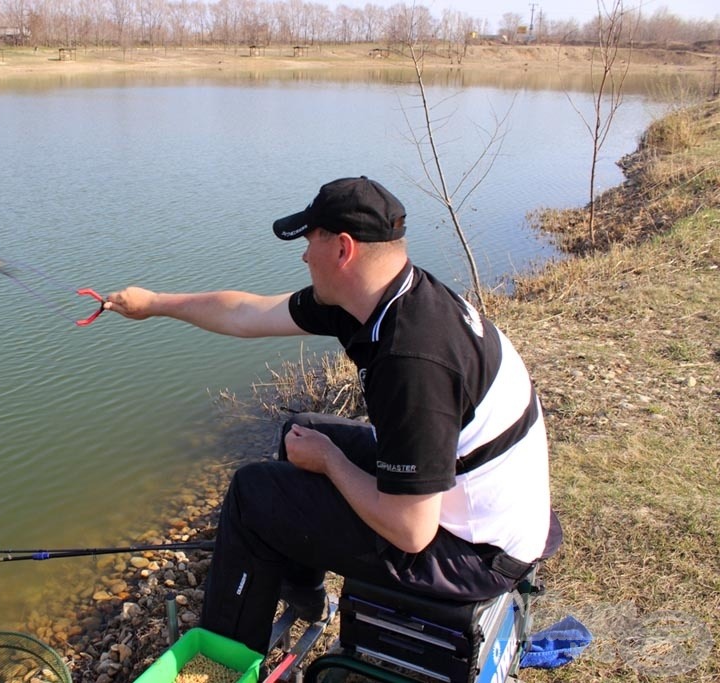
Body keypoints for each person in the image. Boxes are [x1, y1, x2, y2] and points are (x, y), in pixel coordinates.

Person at [104, 176, 559, 655]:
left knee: (252, 494)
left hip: (473, 557)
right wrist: (152, 304)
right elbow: (246, 314)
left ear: (343, 249)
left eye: (309, 242)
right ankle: (307, 594)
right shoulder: (382, 296)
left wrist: (330, 462)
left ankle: (223, 662)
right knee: (300, 432)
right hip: (473, 505)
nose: (303, 257)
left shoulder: (412, 359)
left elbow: (412, 530)